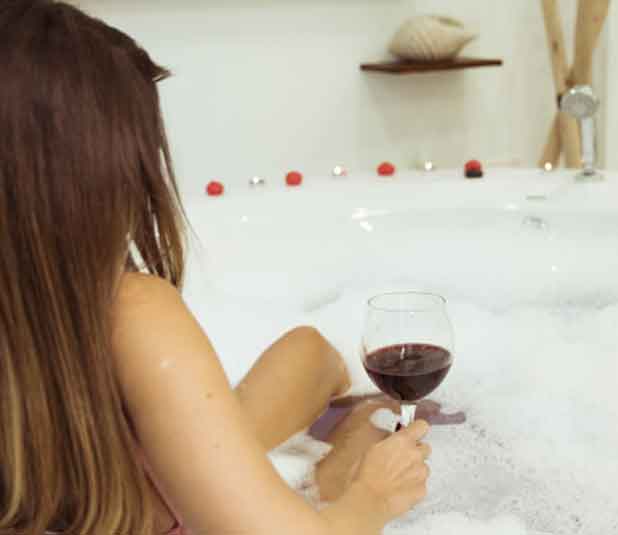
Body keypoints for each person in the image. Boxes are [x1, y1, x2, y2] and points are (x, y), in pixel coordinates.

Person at [0, 1, 432, 534]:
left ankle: (269, 434)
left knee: (309, 353)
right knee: (367, 425)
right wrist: (371, 500)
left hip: (126, 490)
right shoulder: (130, 309)